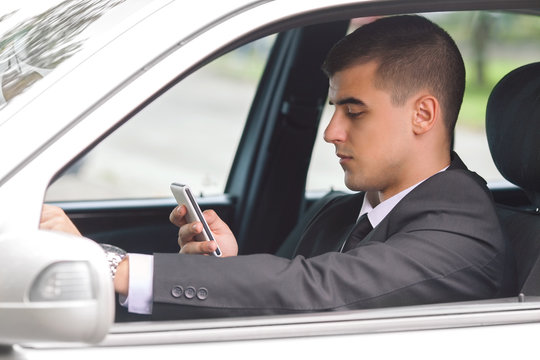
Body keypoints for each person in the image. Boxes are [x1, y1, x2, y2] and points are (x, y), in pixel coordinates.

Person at [41, 15, 516, 318]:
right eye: (333, 110)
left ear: (423, 115)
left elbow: (313, 291)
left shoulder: (464, 233)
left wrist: (108, 267)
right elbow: (280, 300)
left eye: (354, 111)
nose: (331, 132)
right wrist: (224, 268)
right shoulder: (343, 212)